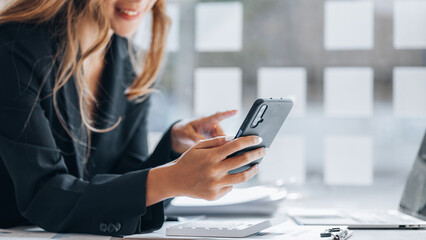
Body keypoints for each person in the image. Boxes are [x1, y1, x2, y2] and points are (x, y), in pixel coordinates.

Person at [0, 0, 265, 236]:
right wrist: (173, 178)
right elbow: (45, 196)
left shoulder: (129, 64)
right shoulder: (13, 50)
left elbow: (122, 180)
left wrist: (173, 148)